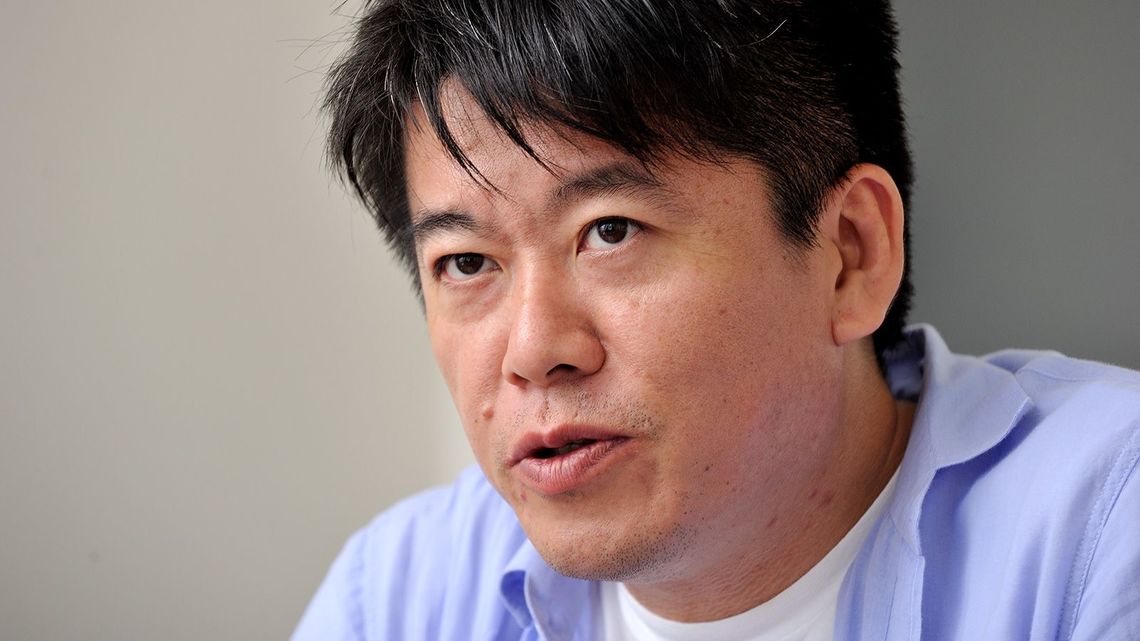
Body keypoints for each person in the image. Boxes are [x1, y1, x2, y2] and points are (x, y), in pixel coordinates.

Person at [293, 1, 1140, 639]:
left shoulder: (1105, 529)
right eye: (467, 262)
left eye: (610, 231)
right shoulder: (397, 600)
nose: (534, 351)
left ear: (851, 252)